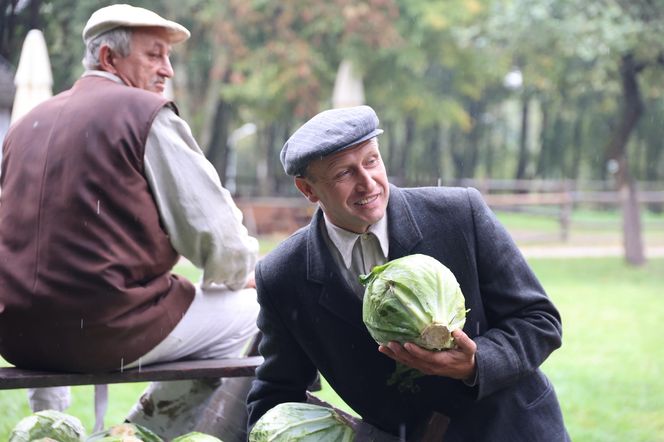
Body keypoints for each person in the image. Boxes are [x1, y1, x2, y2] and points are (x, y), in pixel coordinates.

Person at [0, 4, 259, 439]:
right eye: (154, 55)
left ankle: (51, 431)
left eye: (168, 57)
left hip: (15, 333)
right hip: (105, 329)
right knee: (256, 309)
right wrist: (237, 276)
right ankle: (145, 430)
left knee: (53, 314)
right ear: (108, 58)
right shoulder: (145, 115)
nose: (168, 70)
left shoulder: (24, 125)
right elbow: (219, 238)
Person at [246, 105, 570, 441]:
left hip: (514, 430)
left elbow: (539, 321)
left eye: (371, 161)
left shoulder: (459, 215)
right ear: (308, 190)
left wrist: (477, 364)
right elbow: (276, 392)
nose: (367, 183)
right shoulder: (282, 275)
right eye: (344, 173)